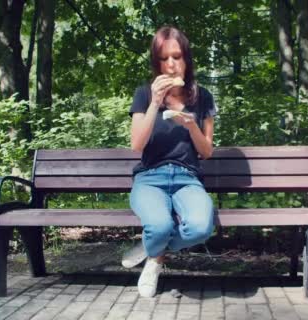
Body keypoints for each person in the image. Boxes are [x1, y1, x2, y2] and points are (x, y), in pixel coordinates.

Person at [122, 26, 217, 298]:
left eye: (177, 56)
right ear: (157, 63)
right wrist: (155, 103)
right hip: (150, 178)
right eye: (164, 58)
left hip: (187, 178)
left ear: (187, 59)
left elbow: (207, 151)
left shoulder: (203, 97)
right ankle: (156, 252)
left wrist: (191, 126)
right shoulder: (144, 94)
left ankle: (153, 250)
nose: (172, 64)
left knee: (201, 228)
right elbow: (136, 145)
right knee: (160, 226)